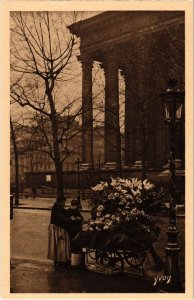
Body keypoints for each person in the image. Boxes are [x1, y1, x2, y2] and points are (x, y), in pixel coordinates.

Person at [47, 197, 71, 267]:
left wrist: (68, 217)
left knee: (58, 244)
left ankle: (60, 259)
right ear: (60, 202)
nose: (64, 203)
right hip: (57, 228)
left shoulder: (59, 207)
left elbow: (64, 215)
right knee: (58, 244)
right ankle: (58, 260)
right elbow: (60, 217)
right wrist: (68, 219)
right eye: (64, 202)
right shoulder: (56, 208)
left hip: (58, 227)